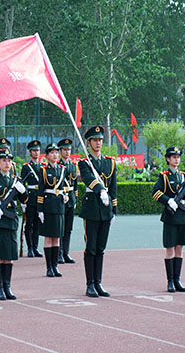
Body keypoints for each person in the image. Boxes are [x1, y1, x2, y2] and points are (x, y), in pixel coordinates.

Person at [151, 146, 185, 293]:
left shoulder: (183, 176)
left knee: (179, 248)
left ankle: (177, 280)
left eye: (178, 157)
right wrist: (167, 201)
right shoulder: (164, 176)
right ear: (168, 159)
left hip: (182, 215)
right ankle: (170, 281)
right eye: (173, 157)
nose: (176, 159)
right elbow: (155, 192)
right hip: (171, 216)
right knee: (170, 249)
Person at [78, 125, 117, 298]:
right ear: (89, 142)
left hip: (106, 209)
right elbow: (87, 179)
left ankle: (98, 283)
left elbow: (114, 187)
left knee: (101, 248)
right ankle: (90, 284)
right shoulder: (85, 163)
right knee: (91, 247)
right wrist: (101, 190)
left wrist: (114, 209)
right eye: (95, 140)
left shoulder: (110, 162)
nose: (98, 143)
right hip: (92, 208)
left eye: (100, 140)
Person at [0, 148, 27, 300]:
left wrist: (23, 192)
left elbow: (24, 200)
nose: (7, 163)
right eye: (4, 160)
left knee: (8, 255)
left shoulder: (15, 180)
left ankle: (7, 286)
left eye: (9, 160)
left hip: (10, 221)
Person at [38, 143, 68, 277]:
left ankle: (55, 266)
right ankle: (49, 267)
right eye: (52, 153)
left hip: (59, 206)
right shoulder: (43, 170)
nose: (55, 155)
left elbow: (65, 185)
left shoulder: (62, 169)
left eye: (56, 152)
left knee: (57, 238)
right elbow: (40, 191)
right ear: (47, 156)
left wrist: (66, 195)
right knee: (49, 238)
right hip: (48, 207)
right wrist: (40, 210)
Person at [20, 140, 43, 258]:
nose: (36, 153)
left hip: (40, 198)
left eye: (38, 150)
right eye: (34, 150)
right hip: (30, 198)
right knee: (29, 224)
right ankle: (29, 248)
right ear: (30, 152)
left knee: (37, 224)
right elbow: (22, 185)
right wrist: (23, 201)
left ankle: (35, 247)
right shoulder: (26, 167)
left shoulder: (43, 166)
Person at [58, 138, 77, 264]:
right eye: (65, 150)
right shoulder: (58, 165)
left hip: (70, 197)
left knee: (68, 228)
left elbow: (74, 184)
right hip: (60, 198)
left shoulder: (73, 165)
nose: (67, 152)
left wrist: (75, 199)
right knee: (60, 227)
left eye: (69, 149)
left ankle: (66, 252)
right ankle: (59, 253)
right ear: (60, 151)